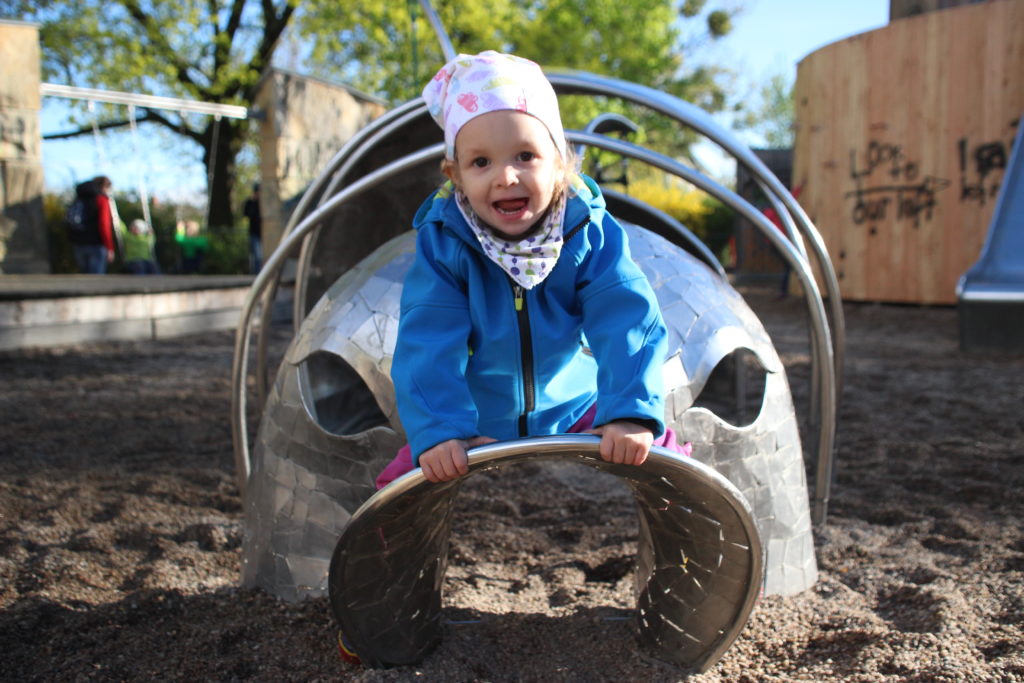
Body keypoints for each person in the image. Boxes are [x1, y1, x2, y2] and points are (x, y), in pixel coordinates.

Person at [376, 51, 689, 489]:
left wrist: (629, 412)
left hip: (577, 403)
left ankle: (688, 535)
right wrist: (442, 430)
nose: (505, 176)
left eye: (525, 155)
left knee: (662, 457)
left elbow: (626, 317)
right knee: (404, 478)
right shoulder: (447, 243)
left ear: (559, 159)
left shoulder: (585, 231)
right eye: (480, 162)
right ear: (456, 174)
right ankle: (395, 552)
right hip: (476, 414)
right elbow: (427, 338)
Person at [68, 176, 117, 274]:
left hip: (78, 243)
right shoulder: (101, 199)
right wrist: (110, 247)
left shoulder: (80, 197)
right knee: (96, 281)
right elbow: (104, 224)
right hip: (96, 245)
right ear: (104, 186)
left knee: (85, 279)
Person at [244, 183, 262, 274]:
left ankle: (259, 273)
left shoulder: (262, 203)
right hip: (254, 232)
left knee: (259, 255)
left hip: (262, 234)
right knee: (256, 255)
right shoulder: (250, 203)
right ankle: (256, 273)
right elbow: (246, 214)